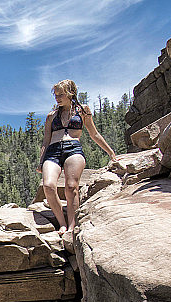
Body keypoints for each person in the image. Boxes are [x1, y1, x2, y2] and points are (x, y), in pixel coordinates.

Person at [37, 79, 118, 235]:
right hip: (53, 151)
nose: (57, 98)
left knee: (71, 187)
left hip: (73, 149)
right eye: (56, 95)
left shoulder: (83, 110)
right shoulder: (51, 116)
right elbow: (46, 140)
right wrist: (41, 161)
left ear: (71, 93)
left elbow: (94, 134)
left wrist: (110, 152)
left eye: (61, 94)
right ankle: (62, 223)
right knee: (48, 186)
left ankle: (72, 226)